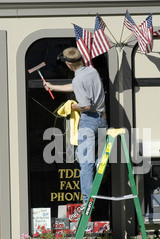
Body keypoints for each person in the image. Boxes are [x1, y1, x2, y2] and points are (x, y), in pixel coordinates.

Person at [44, 47, 107, 218]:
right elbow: (75, 85)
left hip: (88, 121)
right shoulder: (92, 71)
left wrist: (71, 106)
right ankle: (97, 166)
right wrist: (53, 87)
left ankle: (87, 202)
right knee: (95, 159)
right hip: (102, 120)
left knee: (85, 163)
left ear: (68, 64)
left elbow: (86, 105)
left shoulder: (79, 80)